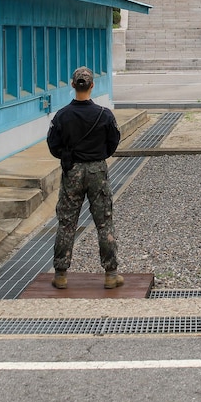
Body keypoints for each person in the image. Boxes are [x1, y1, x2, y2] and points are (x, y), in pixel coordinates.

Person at [46, 66, 123, 289]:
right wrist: (98, 156)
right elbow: (113, 143)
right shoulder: (105, 114)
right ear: (92, 86)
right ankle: (110, 274)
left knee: (67, 222)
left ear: (72, 85)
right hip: (97, 170)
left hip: (73, 171)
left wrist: (68, 156)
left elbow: (53, 145)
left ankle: (60, 274)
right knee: (104, 221)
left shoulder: (62, 115)